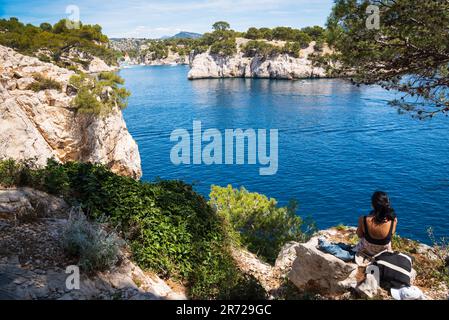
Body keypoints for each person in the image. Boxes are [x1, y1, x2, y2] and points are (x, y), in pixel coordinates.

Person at [355, 191, 398, 256]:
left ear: (372, 205)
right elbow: (391, 235)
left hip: (366, 251)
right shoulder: (393, 220)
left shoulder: (363, 219)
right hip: (383, 253)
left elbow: (359, 235)